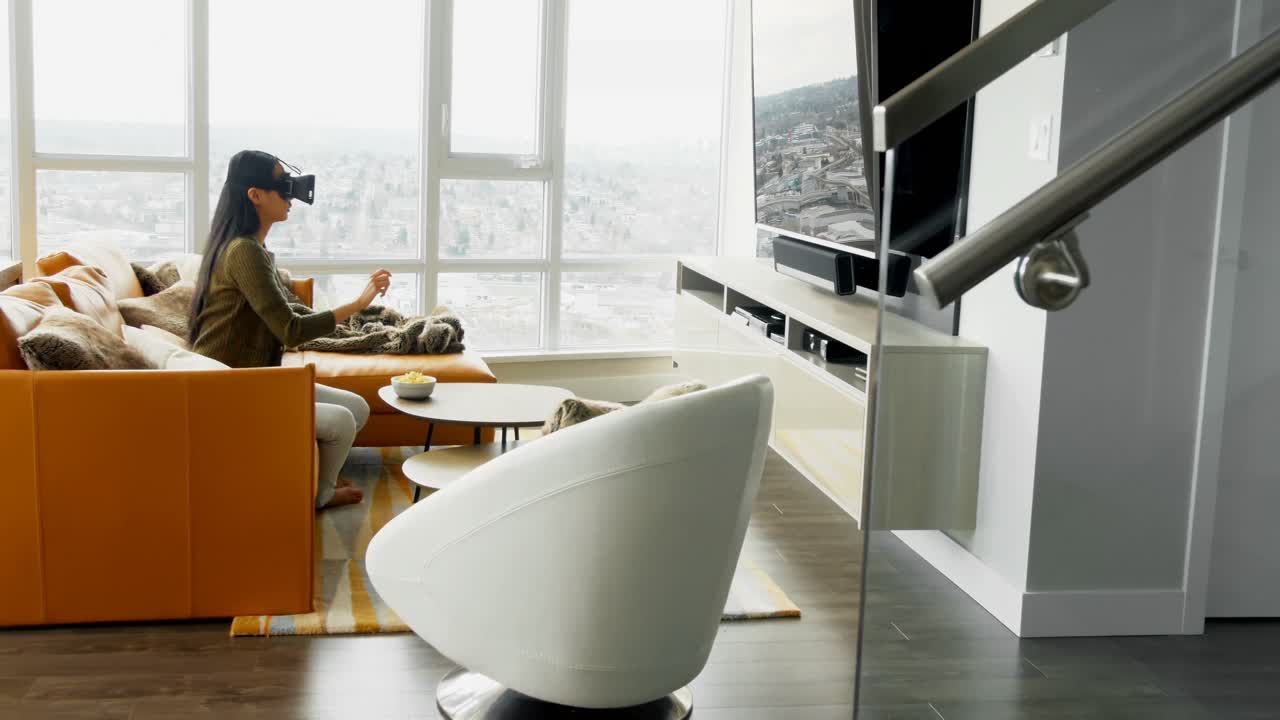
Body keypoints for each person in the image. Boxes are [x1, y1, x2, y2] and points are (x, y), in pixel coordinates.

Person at [189, 149, 391, 509]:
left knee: (357, 408)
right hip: (229, 390)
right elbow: (290, 329)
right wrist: (357, 304)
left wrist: (354, 318)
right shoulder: (242, 252)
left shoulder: (255, 250)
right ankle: (316, 495)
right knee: (342, 422)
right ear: (255, 195)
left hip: (257, 381)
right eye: (282, 187)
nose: (291, 195)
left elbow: (291, 310)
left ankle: (312, 477)